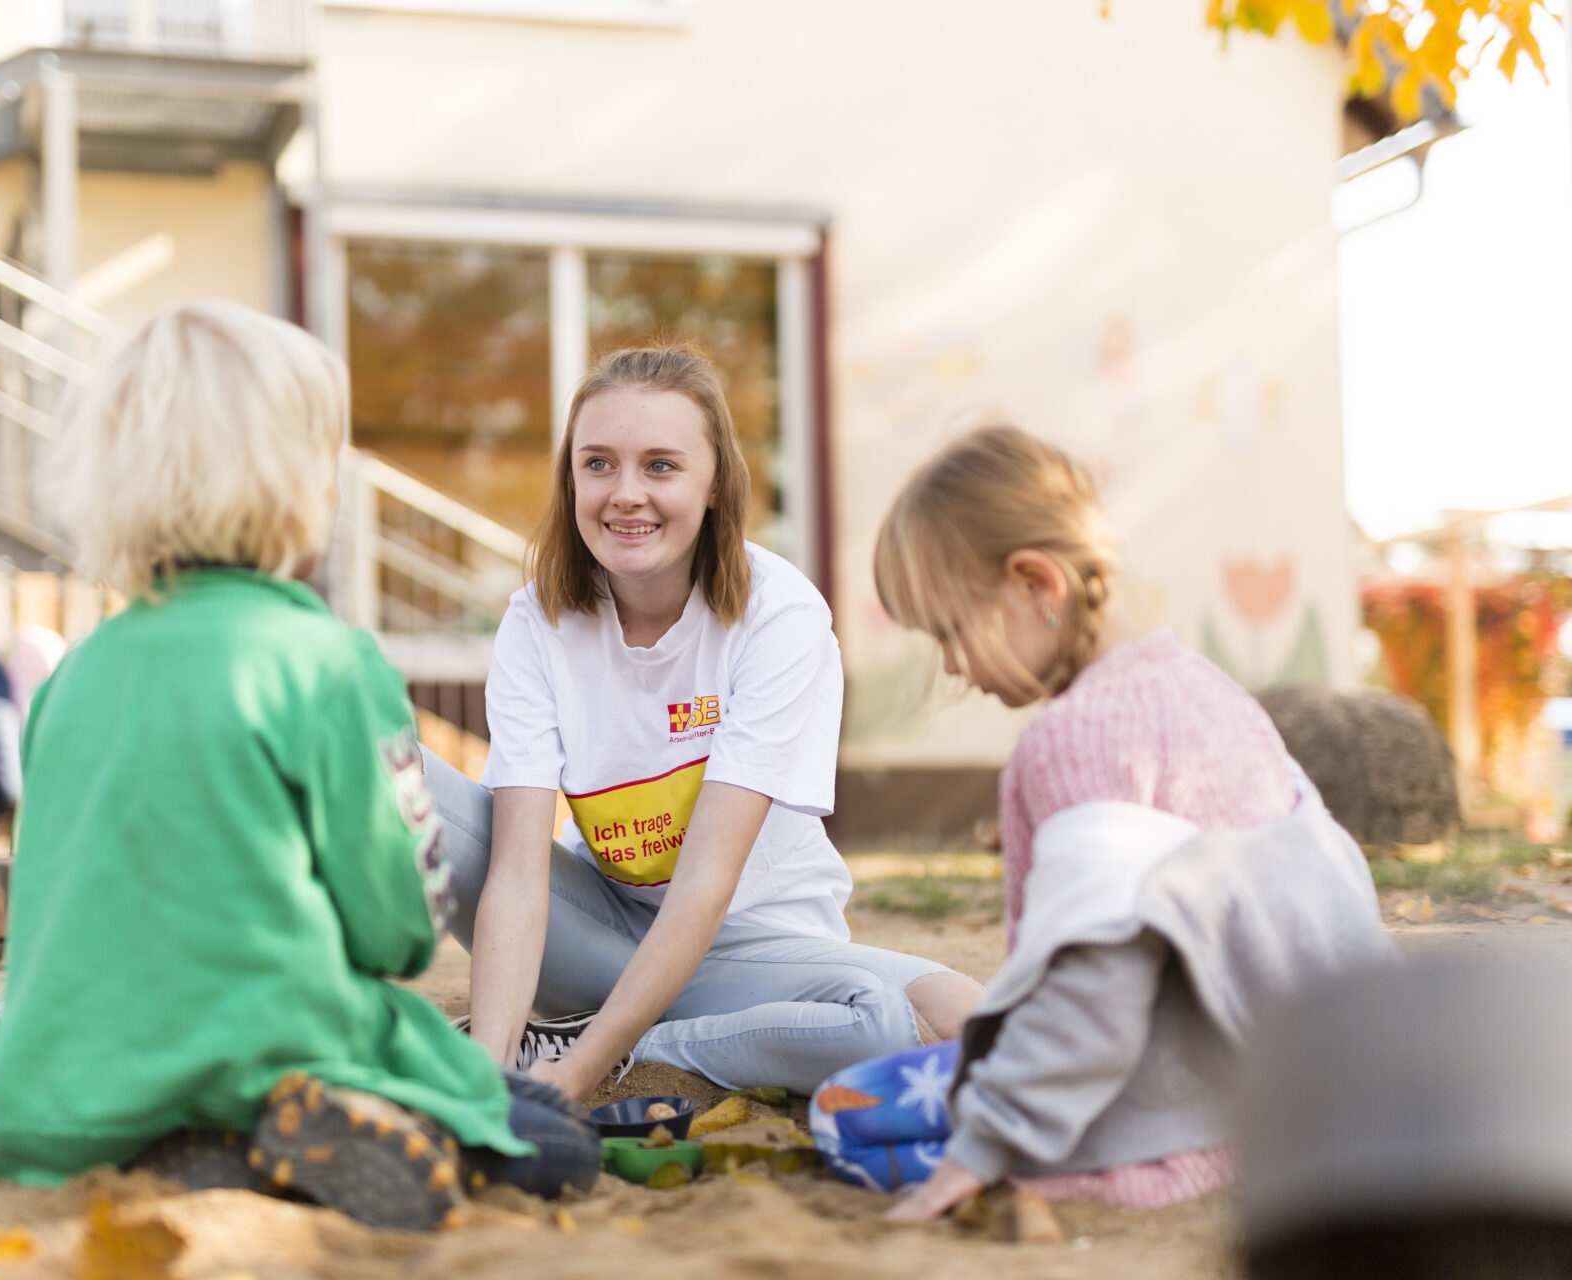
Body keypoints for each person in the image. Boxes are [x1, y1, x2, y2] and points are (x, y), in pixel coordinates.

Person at [0, 301, 595, 1230]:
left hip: (65, 1094)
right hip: (263, 1058)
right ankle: (248, 1147)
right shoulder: (329, 665)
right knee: (560, 1138)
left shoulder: (71, 676)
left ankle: (190, 1153)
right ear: (293, 482)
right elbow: (399, 930)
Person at [806, 423, 1391, 1217]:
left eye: (949, 630)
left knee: (844, 1113)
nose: (948, 664)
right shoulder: (1207, 687)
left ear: (1035, 584)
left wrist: (986, 1147)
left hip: (1174, 1134)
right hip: (1300, 1090)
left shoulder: (1076, 737)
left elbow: (1095, 990)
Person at [426, 344, 983, 1103]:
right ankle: (560, 1035)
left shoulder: (778, 616)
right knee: (403, 781)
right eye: (598, 464)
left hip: (755, 956)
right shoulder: (537, 619)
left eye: (660, 466)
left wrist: (582, 1070)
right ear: (571, 478)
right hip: (594, 934)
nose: (626, 494)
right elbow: (519, 872)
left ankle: (613, 1038)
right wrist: (488, 1080)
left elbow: (705, 889)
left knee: (940, 1020)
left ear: (715, 482)